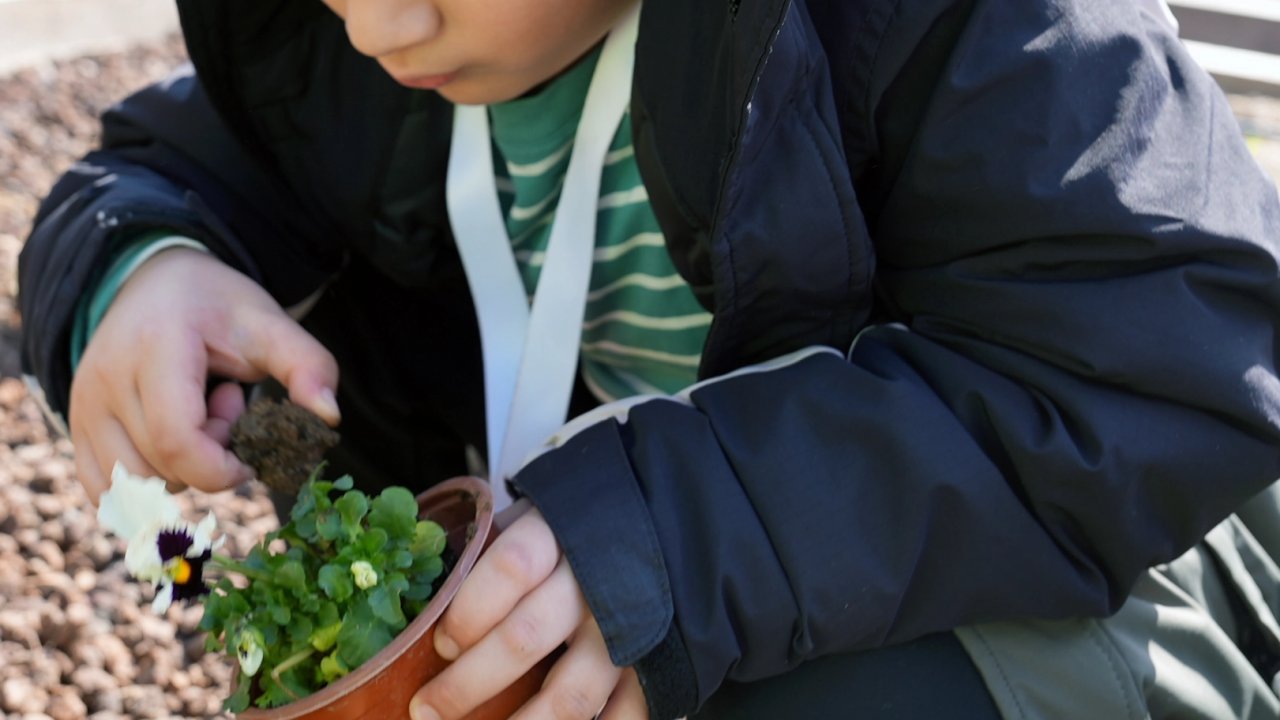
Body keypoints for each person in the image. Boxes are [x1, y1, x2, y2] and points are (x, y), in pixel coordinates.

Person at [17, 0, 1280, 717]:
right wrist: (134, 270)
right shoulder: (336, 45)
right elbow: (156, 167)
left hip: (1055, 599)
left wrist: (676, 537)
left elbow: (1169, 353)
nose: (378, 21)